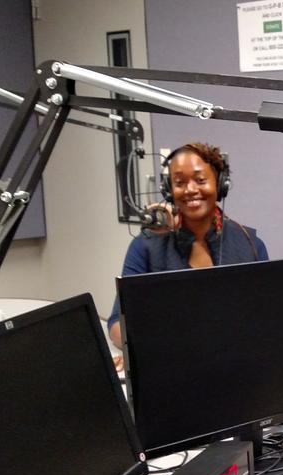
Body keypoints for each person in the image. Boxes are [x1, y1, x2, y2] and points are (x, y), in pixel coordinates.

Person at [107, 142, 269, 351]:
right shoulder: (145, 246)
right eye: (179, 182)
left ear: (220, 184)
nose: (190, 190)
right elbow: (116, 326)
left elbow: (267, 317)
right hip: (170, 362)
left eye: (201, 180)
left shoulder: (250, 244)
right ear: (168, 190)